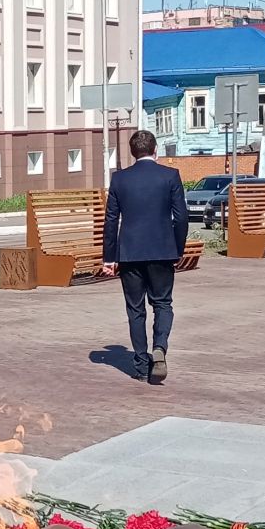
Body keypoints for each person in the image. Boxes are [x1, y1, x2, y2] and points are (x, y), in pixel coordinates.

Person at [101, 130, 189, 383]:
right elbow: (181, 216)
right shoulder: (170, 176)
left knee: (135, 309)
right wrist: (177, 249)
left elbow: (111, 220)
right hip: (162, 250)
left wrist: (109, 257)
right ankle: (159, 347)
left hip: (129, 253)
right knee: (162, 303)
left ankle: (140, 365)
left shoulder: (120, 179)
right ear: (155, 150)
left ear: (133, 152)